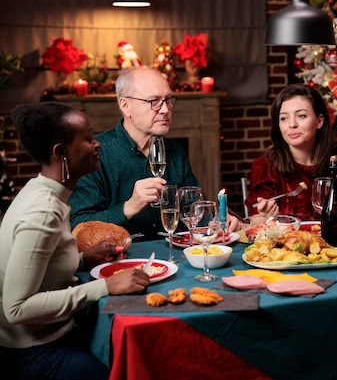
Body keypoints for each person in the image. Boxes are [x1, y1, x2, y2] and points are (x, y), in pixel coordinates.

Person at [0, 103, 150, 380]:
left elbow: (38, 271)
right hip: (36, 352)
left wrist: (83, 259)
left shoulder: (45, 193)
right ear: (61, 152)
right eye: (88, 138)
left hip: (53, 337)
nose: (98, 144)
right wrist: (105, 286)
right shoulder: (42, 212)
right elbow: (16, 308)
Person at [69, 67, 240, 238]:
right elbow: (78, 225)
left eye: (168, 100)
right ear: (125, 105)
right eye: (154, 101)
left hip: (174, 256)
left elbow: (194, 211)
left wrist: (216, 221)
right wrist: (129, 207)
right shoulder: (97, 154)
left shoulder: (175, 151)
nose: (165, 110)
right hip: (123, 259)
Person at [245, 83, 337, 221]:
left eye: (301, 116)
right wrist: (265, 216)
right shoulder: (266, 166)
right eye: (284, 118)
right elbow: (255, 222)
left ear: (319, 121)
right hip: (287, 241)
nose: (292, 124)